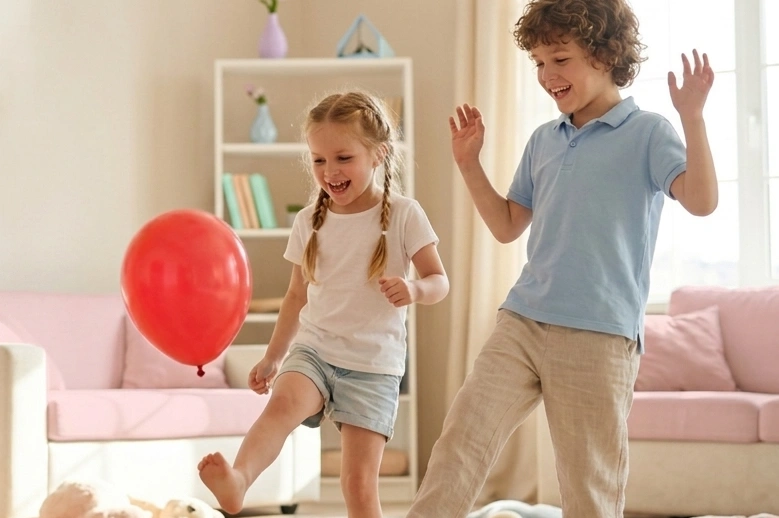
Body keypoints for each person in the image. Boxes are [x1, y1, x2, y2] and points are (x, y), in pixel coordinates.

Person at [406, 0, 716, 517]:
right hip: (523, 319)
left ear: (603, 54)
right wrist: (468, 164)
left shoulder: (648, 132)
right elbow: (507, 226)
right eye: (538, 64)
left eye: (560, 59)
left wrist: (692, 117)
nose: (547, 75)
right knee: (460, 443)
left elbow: (702, 201)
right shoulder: (544, 140)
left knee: (587, 485)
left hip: (599, 332)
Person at [198, 90, 449, 517]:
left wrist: (415, 290)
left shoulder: (406, 215)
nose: (329, 171)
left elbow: (439, 280)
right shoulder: (308, 220)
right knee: (280, 406)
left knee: (356, 483)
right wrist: (274, 357)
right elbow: (296, 296)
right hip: (315, 350)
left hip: (373, 364)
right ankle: (239, 481)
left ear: (379, 155)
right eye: (318, 160)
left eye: (343, 158)